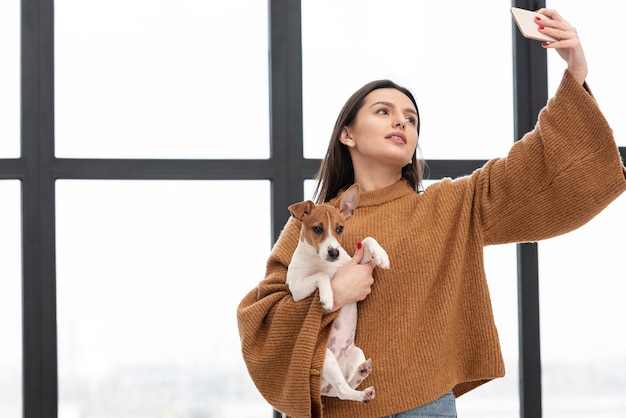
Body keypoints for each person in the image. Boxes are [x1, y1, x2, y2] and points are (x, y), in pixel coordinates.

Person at [237, 8, 626, 418]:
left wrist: (576, 73)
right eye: (383, 111)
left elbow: (537, 168)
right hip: (341, 407)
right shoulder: (313, 226)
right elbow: (261, 322)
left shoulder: (450, 205)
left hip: (426, 407)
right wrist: (333, 296)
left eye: (411, 119)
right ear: (347, 133)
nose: (401, 122)